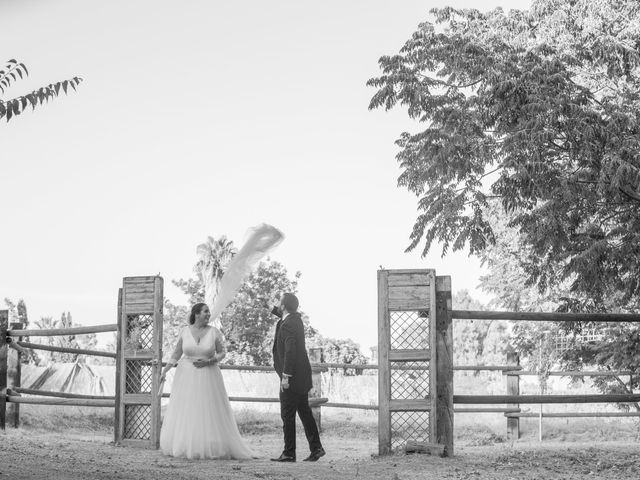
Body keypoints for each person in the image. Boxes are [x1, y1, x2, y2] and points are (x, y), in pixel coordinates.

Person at [159, 302, 254, 459]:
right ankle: (186, 444)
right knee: (188, 409)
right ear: (196, 314)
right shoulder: (184, 331)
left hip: (208, 373)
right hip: (186, 375)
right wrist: (166, 369)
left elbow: (222, 352)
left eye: (209, 312)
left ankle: (208, 445)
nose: (209, 315)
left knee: (207, 408)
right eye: (205, 312)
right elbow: (176, 354)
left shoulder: (213, 332)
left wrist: (209, 361)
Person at [270, 293, 325, 462]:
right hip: (302, 377)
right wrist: (270, 307)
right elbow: (283, 315)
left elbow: (290, 350)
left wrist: (285, 376)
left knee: (287, 415)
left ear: (284, 306)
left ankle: (289, 452)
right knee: (305, 412)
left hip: (291, 378)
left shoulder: (287, 324)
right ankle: (316, 448)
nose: (277, 304)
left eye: (279, 302)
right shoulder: (295, 320)